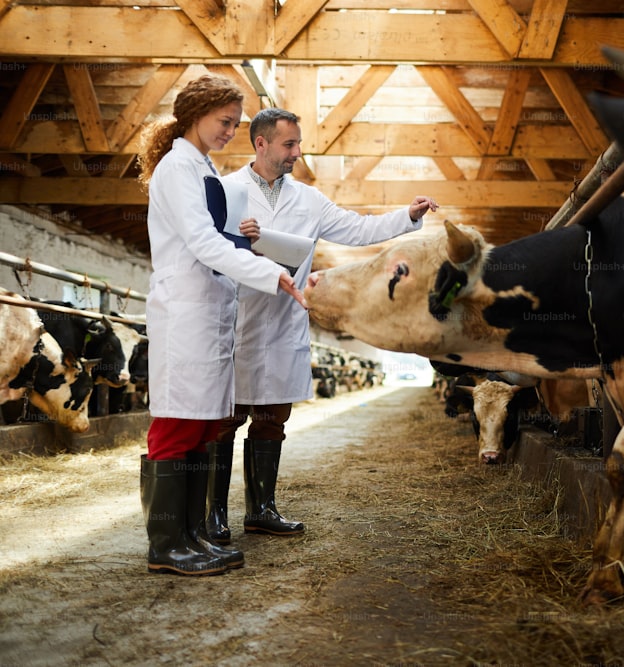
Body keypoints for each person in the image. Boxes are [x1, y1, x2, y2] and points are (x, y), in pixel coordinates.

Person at [205, 108, 438, 545]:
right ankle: (214, 514)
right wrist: (239, 240)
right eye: (289, 145)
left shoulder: (309, 200)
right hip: (236, 322)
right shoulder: (225, 190)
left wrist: (406, 215)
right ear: (261, 144)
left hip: (284, 324)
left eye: (297, 143)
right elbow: (203, 244)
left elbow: (358, 227)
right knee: (224, 420)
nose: (297, 153)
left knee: (273, 419)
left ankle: (261, 510)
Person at [136, 77, 308, 577]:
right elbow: (201, 243)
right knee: (176, 424)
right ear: (194, 113)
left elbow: (216, 239)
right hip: (185, 312)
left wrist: (254, 246)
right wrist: (271, 273)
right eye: (225, 121)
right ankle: (165, 545)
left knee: (204, 426)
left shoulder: (201, 166)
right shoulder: (176, 167)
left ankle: (191, 535)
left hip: (211, 313)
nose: (230, 131)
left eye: (235, 123)